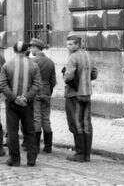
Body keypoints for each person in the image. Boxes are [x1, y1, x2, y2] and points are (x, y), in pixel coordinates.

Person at [0, 41, 42, 166]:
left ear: (14, 50)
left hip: (12, 103)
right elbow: (37, 84)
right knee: (29, 130)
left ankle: (14, 159)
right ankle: (31, 159)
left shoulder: (7, 65)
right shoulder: (33, 65)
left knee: (12, 131)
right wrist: (26, 97)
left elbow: (1, 84)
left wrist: (14, 98)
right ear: (26, 50)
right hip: (27, 103)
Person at [63, 34, 95, 162]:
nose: (68, 46)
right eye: (68, 44)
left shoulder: (73, 57)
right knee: (86, 123)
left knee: (75, 123)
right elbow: (95, 73)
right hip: (87, 93)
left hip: (74, 94)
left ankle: (80, 153)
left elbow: (68, 77)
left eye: (71, 44)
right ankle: (87, 155)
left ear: (77, 44)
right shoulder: (88, 56)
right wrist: (85, 80)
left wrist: (65, 74)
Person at [29, 38, 57, 153]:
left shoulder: (32, 61)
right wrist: (48, 92)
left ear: (36, 48)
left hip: (35, 91)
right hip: (46, 91)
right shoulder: (50, 62)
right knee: (46, 119)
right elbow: (53, 81)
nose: (30, 49)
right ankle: (48, 146)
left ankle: (35, 146)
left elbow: (29, 79)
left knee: (36, 118)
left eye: (31, 47)